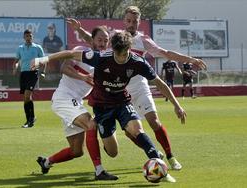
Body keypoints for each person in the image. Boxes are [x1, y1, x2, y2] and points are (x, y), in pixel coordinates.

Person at [32, 31, 188, 183]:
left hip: (122, 102)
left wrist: (177, 105)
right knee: (112, 152)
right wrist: (43, 59)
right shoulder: (100, 58)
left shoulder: (138, 62)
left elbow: (160, 83)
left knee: (135, 129)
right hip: (101, 107)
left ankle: (159, 166)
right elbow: (70, 54)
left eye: (125, 54)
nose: (121, 58)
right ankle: (103, 150)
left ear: (129, 49)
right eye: (118, 54)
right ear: (113, 50)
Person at [66, 6, 206, 170]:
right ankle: (154, 153)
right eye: (129, 20)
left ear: (139, 22)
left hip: (139, 87)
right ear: (124, 21)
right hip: (119, 93)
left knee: (153, 120)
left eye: (135, 21)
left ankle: (170, 157)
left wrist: (191, 59)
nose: (131, 24)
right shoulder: (115, 38)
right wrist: (80, 30)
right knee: (130, 132)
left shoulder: (144, 40)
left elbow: (166, 53)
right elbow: (94, 41)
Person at [36, 26, 118, 180]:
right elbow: (64, 68)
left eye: (106, 41)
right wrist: (83, 77)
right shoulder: (81, 51)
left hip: (74, 102)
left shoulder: (104, 61)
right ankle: (99, 171)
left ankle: (46, 162)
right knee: (91, 125)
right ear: (92, 40)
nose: (102, 43)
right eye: (99, 39)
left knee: (76, 151)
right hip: (64, 98)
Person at [12, 29, 45, 128]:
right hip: (23, 74)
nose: (28, 38)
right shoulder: (20, 48)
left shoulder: (37, 47)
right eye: (26, 36)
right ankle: (29, 119)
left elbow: (43, 61)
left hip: (33, 73)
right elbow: (16, 61)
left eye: (30, 36)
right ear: (24, 37)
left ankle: (31, 119)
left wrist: (43, 72)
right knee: (26, 98)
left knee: (27, 95)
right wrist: (15, 67)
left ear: (32, 37)